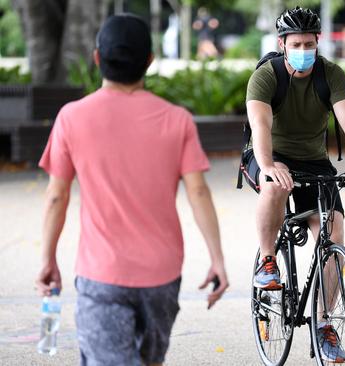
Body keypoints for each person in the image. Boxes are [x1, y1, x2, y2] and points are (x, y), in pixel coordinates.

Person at [36, 14, 228, 365]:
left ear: (97, 58)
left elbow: (55, 196)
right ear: (149, 61)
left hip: (102, 275)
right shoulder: (177, 119)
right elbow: (198, 192)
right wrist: (217, 258)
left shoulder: (71, 117)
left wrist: (48, 258)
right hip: (162, 275)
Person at [244, 6, 345, 363]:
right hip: (267, 153)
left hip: (313, 160)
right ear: (282, 43)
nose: (304, 49)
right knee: (274, 186)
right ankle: (268, 262)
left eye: (309, 43)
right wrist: (269, 165)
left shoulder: (330, 74)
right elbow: (259, 125)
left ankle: (323, 324)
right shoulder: (265, 75)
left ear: (318, 42)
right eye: (296, 43)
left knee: (334, 233)